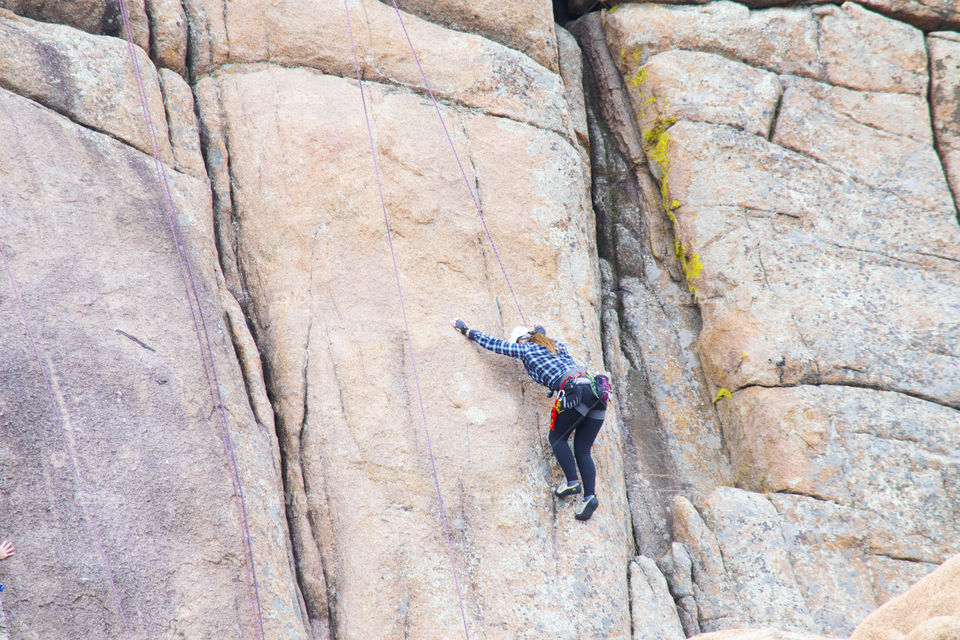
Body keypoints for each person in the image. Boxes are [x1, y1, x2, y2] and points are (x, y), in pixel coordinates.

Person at [451, 318, 609, 521]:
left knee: (558, 438)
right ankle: (589, 497)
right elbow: (545, 341)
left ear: (521, 341)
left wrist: (468, 331)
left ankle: (572, 482)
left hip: (576, 392)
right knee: (583, 450)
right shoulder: (557, 346)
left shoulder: (526, 350)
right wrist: (539, 331)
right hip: (597, 394)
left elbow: (495, 345)